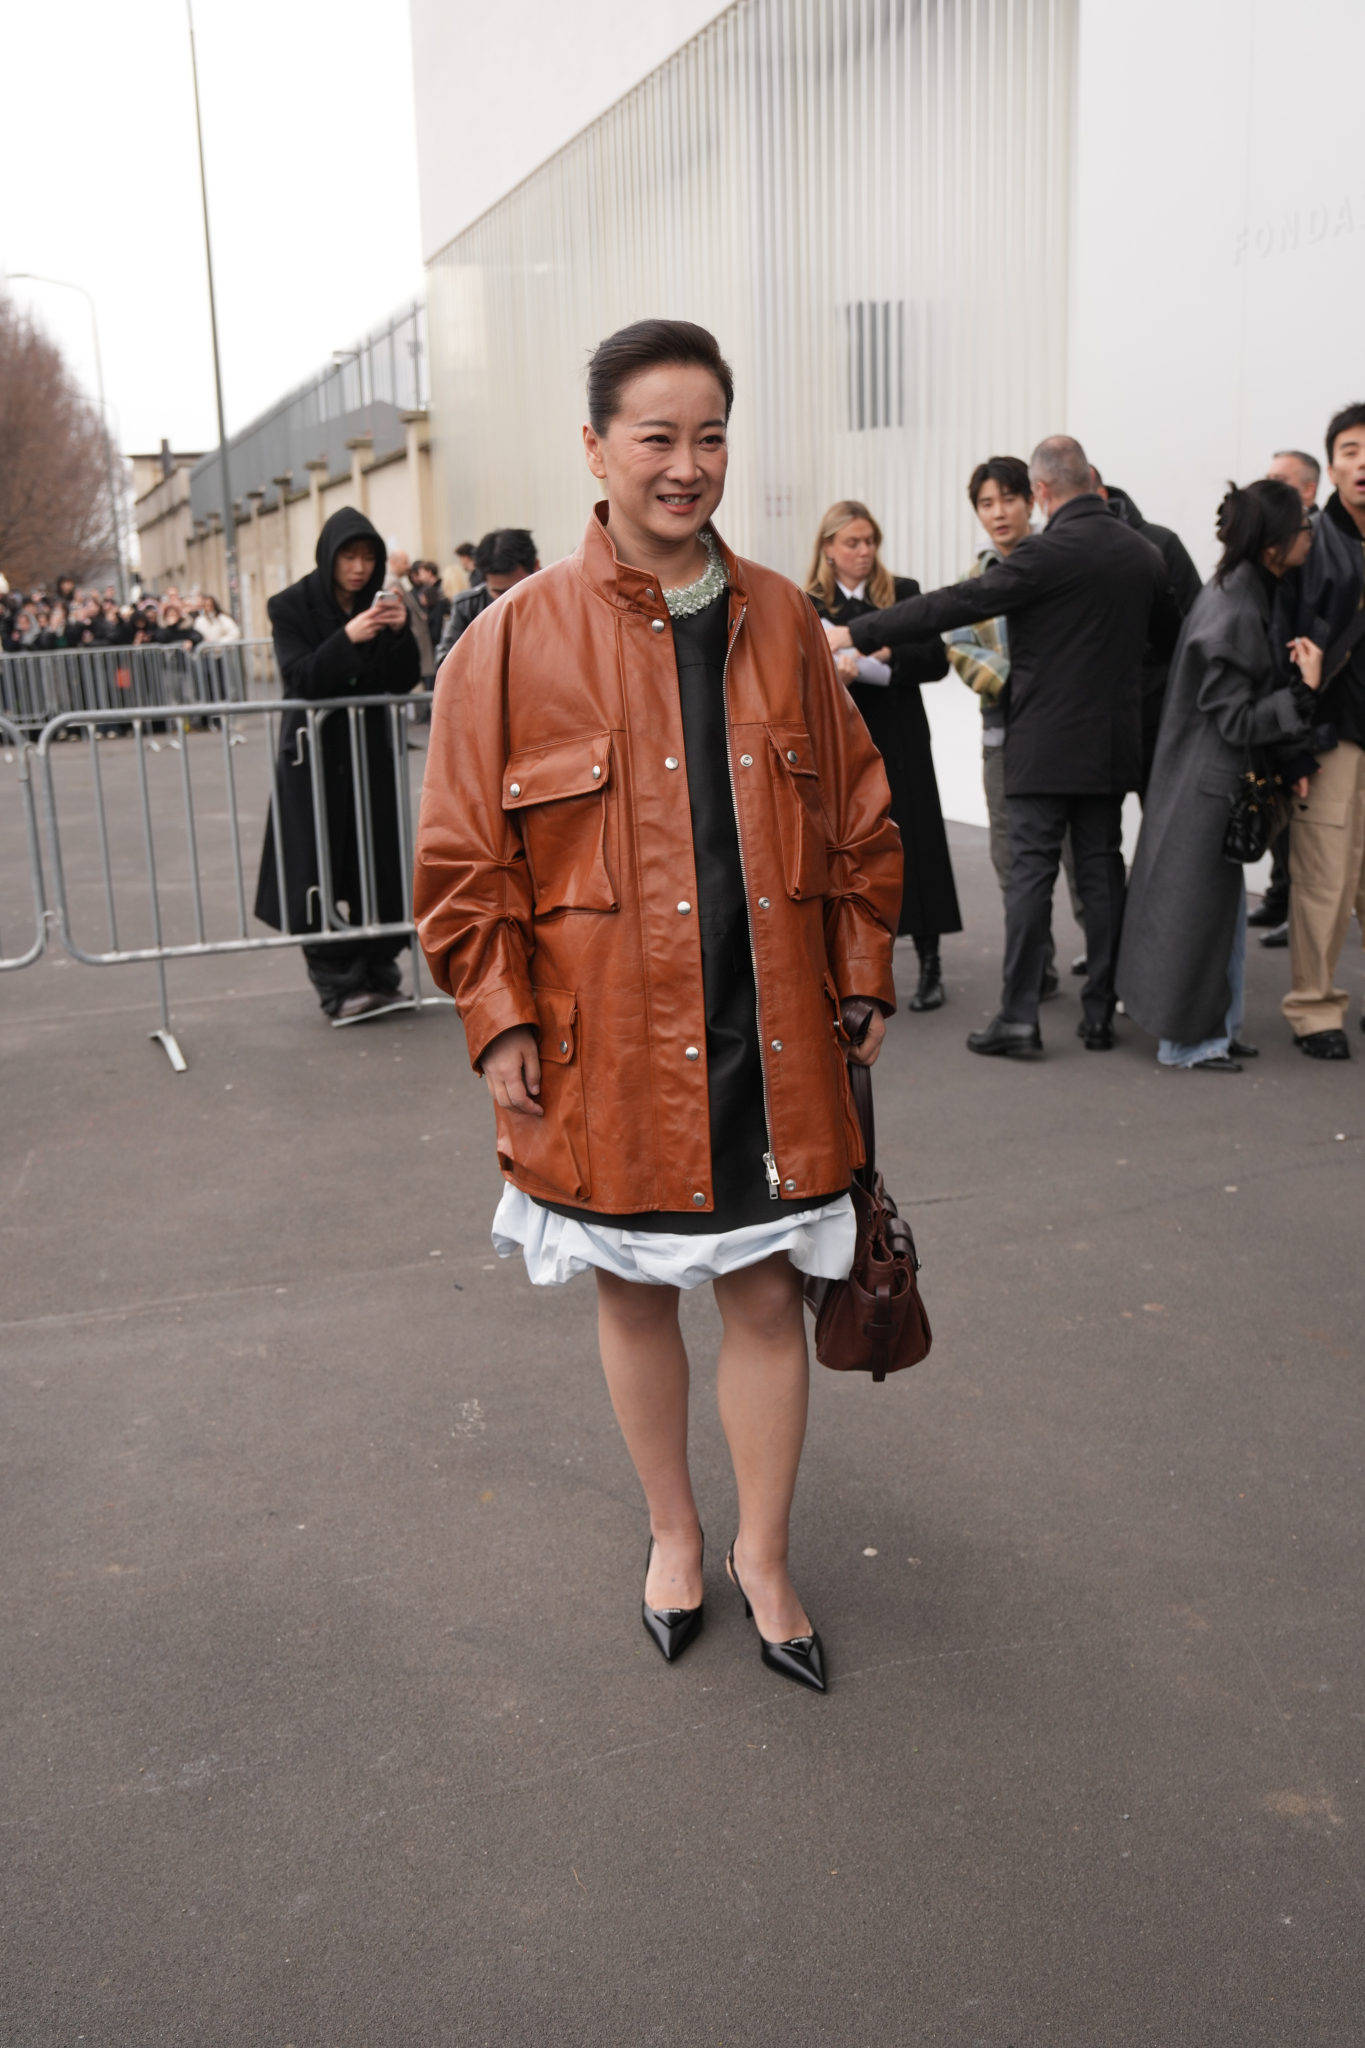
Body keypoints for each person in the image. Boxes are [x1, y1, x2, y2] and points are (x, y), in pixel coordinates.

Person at [415, 318, 900, 1693]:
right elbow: (460, 859)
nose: (686, 466)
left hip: (772, 1029)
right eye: (657, 438)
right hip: (609, 1042)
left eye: (710, 438)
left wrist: (862, 970)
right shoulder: (508, 642)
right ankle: (674, 1534)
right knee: (632, 1295)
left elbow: (861, 822)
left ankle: (764, 1554)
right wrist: (500, 1015)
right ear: (595, 448)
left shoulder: (785, 622)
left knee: (764, 1293)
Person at [826, 434, 1181, 1057]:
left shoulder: (1043, 556)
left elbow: (954, 605)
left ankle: (1019, 1018)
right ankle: (1101, 1013)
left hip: (1041, 745)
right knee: (1101, 873)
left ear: (1040, 491)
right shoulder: (1143, 553)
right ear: (1090, 480)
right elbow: (1167, 643)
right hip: (1111, 746)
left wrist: (852, 634)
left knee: (1029, 877)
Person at [1118, 481, 1321, 1071]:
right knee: (1196, 915)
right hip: (1207, 785)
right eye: (1301, 527)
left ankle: (1214, 1032)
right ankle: (1188, 1042)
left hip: (1203, 780)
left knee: (1214, 915)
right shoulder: (1235, 605)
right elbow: (1234, 718)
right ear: (1273, 544)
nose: (1310, 536)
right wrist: (1302, 692)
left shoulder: (1240, 589)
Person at [254, 506, 420, 1021]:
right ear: (329, 556)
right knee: (317, 866)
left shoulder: (380, 603)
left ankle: (380, 975)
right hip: (314, 758)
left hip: (369, 757)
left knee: (378, 864)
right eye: (349, 556)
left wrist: (399, 632)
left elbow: (401, 680)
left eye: (368, 557)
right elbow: (300, 677)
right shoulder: (290, 605)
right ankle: (337, 985)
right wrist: (347, 638)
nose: (359, 568)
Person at [806, 499, 959, 1010]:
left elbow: (936, 660)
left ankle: (931, 962)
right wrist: (839, 675)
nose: (864, 551)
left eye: (870, 541)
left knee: (917, 843)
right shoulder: (808, 603)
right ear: (828, 548)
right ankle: (855, 966)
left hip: (902, 735)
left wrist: (883, 655)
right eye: (852, 542)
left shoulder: (903, 593)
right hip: (843, 741)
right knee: (849, 851)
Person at [942, 456, 1064, 997]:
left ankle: (1111, 969)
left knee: (1083, 860)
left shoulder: (1059, 562)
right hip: (1004, 737)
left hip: (1065, 732)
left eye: (1009, 499)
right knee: (1012, 858)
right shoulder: (975, 581)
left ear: (1032, 501)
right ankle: (1037, 966)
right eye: (986, 503)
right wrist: (1018, 681)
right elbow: (958, 644)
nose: (998, 512)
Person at [1281, 403, 1365, 1059]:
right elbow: (1282, 643)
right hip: (1333, 735)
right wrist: (1293, 747)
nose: (1362, 463)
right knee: (1323, 879)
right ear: (1330, 467)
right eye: (1350, 451)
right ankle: (1314, 1010)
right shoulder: (1309, 543)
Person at [1091, 466, 1202, 791]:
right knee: (1097, 821)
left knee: (1160, 812)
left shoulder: (1161, 543)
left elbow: (1195, 625)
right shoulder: (1058, 550)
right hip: (1093, 721)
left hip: (1158, 714)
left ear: (1101, 495)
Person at [1252, 450, 1324, 944]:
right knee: (1279, 805)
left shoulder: (1315, 546)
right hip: (1284, 690)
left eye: (1280, 479)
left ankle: (1293, 907)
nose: (1269, 487)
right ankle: (1280, 897)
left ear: (1309, 490)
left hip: (1302, 690)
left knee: (1299, 815)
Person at [432, 528, 539, 669]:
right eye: (499, 593)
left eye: (516, 590)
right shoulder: (467, 606)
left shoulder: (555, 604)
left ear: (536, 567)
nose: (507, 600)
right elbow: (445, 663)